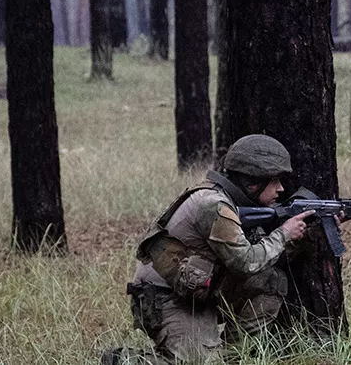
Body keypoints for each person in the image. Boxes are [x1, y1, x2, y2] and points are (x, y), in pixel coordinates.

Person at [104, 134, 314, 364]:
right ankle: (123, 360)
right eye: (275, 181)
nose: (281, 189)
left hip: (199, 291)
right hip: (165, 298)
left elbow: (265, 259)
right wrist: (284, 233)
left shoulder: (235, 203)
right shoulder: (214, 205)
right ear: (254, 181)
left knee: (270, 280)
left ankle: (233, 358)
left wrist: (307, 231)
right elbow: (246, 262)